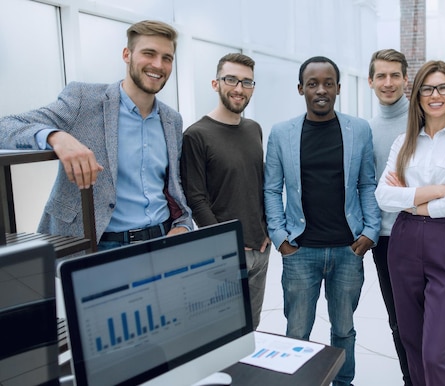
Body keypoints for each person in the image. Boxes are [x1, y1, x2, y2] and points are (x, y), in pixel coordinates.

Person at [0, 20, 192, 249]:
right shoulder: (84, 99)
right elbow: (7, 126)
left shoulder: (172, 120)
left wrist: (184, 224)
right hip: (99, 243)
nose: (158, 64)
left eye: (167, 58)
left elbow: (173, 184)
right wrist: (56, 136)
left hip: (162, 238)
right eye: (148, 53)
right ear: (126, 54)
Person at [264, 56, 380, 386]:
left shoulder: (358, 130)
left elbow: (367, 183)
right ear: (301, 88)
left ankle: (343, 383)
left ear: (339, 88)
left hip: (347, 249)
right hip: (300, 251)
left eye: (328, 83)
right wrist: (280, 237)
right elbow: (272, 188)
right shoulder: (281, 133)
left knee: (344, 330)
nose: (321, 90)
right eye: (312, 83)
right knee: (297, 330)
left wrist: (370, 230)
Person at [375, 60, 445, 386]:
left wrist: (412, 200)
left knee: (434, 350)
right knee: (410, 340)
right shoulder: (404, 142)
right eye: (427, 88)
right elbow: (384, 196)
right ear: (418, 95)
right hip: (403, 241)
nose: (435, 95)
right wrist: (437, 191)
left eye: (443, 87)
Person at [181, 53, 270, 330]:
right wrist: (226, 242)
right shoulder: (196, 135)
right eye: (231, 79)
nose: (239, 88)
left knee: (251, 330)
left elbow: (258, 185)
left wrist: (265, 232)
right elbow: (196, 198)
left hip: (261, 249)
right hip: (224, 252)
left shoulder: (254, 129)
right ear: (215, 83)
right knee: (220, 332)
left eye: (247, 82)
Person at [367, 48, 412, 386]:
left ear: (406, 79)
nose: (388, 82)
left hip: (424, 231)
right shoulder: (366, 130)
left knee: (429, 319)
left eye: (395, 75)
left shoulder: (423, 118)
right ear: (370, 81)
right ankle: (411, 379)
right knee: (398, 320)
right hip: (384, 238)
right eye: (381, 75)